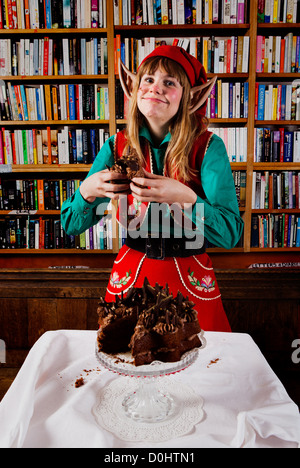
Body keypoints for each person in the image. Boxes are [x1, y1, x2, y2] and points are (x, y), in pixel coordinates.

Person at [61, 45, 244, 332]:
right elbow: (71, 224)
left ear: (190, 97)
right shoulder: (115, 146)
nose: (155, 88)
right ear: (134, 89)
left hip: (190, 276)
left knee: (200, 367)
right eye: (148, 79)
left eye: (169, 82)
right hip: (131, 278)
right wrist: (87, 191)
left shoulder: (208, 147)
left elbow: (231, 234)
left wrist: (186, 198)